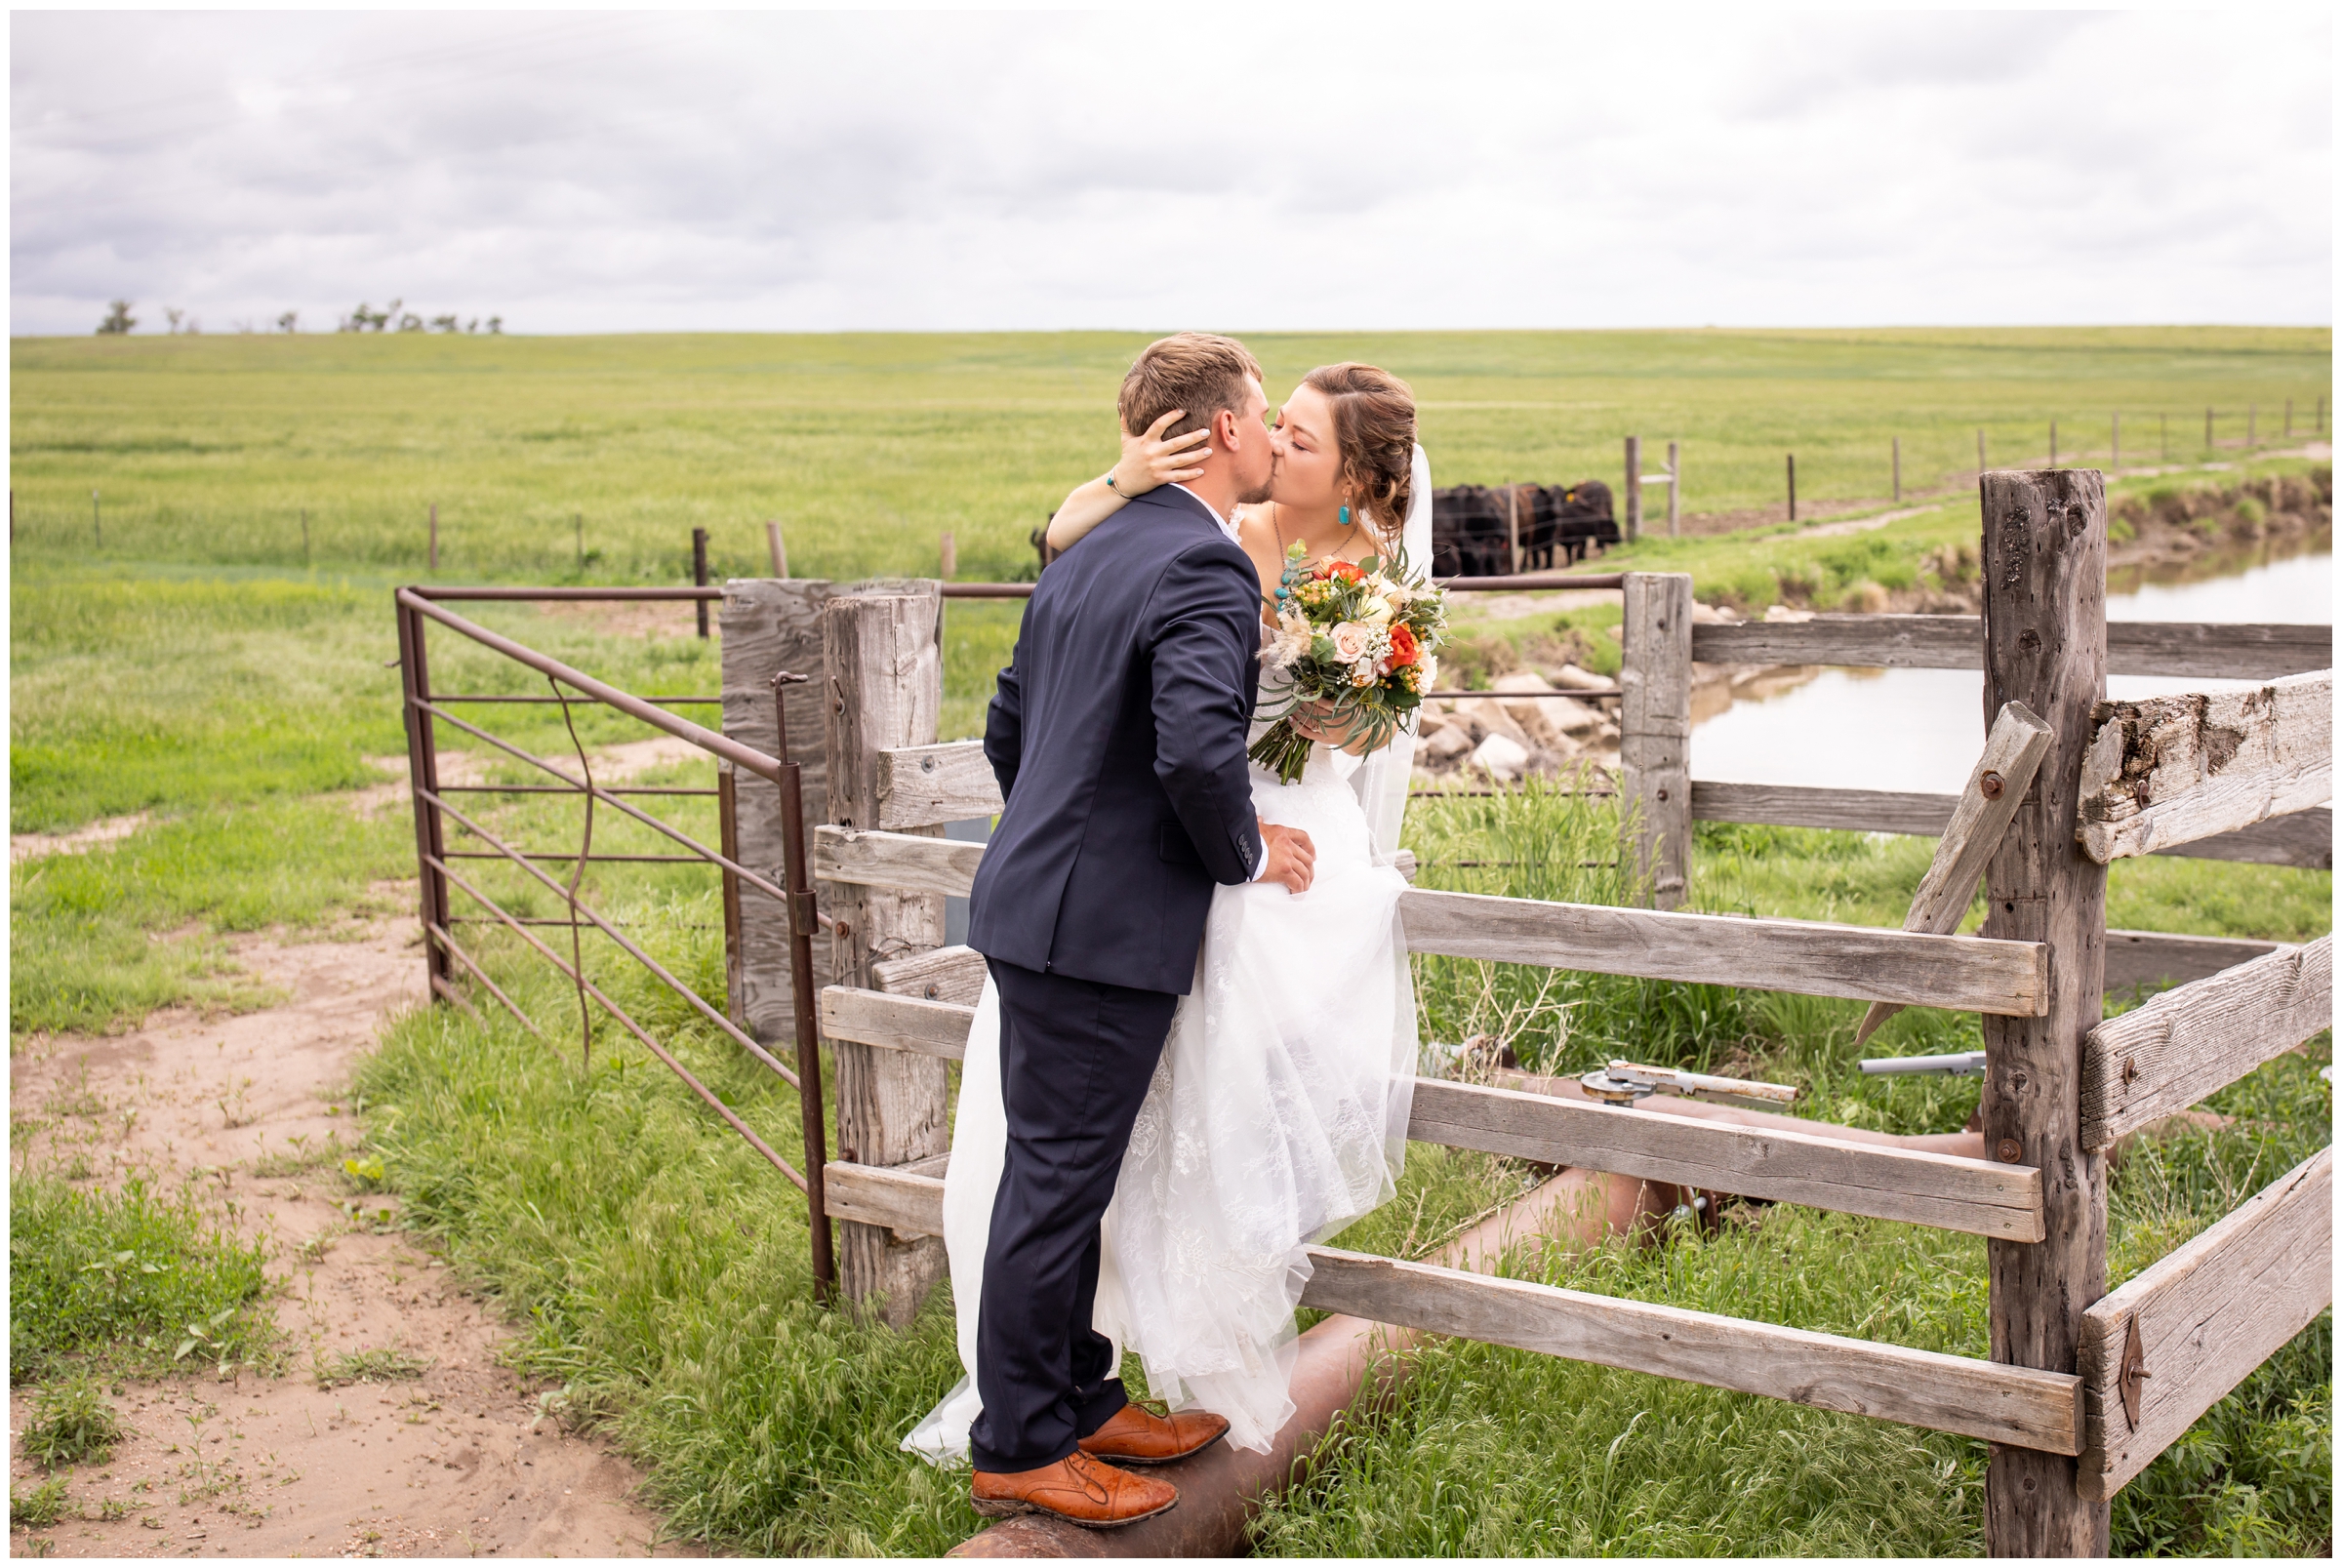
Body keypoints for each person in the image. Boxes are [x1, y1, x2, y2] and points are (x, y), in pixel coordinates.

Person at [907, 338, 1429, 1533]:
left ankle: (1083, 1396)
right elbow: (1195, 752)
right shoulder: (1198, 561)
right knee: (1054, 1184)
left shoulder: (1092, 549)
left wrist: (1056, 821)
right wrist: (1241, 848)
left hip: (1045, 903)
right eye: (1260, 413)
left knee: (1070, 1176)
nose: (1267, 432)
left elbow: (1010, 721)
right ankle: (1023, 1444)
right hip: (1098, 926)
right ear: (1218, 430)